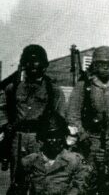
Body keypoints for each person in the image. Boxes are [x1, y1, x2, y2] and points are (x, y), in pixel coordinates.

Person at [67, 46, 109, 193]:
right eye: (101, 63)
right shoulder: (84, 86)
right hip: (90, 141)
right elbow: (72, 114)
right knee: (87, 180)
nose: (105, 67)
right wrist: (83, 136)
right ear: (94, 65)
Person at [4, 44, 66, 189]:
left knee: (41, 179)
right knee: (17, 180)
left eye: (36, 61)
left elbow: (60, 115)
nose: (32, 64)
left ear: (44, 65)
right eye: (28, 61)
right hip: (18, 139)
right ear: (23, 64)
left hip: (42, 139)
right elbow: (2, 109)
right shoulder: (13, 88)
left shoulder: (53, 90)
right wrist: (6, 125)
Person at [12, 112, 92, 195]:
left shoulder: (74, 161)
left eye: (58, 135)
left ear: (64, 136)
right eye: (49, 136)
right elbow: (17, 188)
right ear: (42, 138)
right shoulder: (29, 161)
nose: (54, 141)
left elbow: (81, 187)